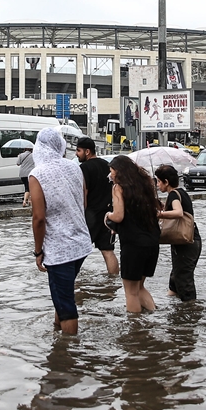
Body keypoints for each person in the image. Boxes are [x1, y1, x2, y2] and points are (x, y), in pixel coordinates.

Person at [28, 127, 91, 335]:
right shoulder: (74, 167)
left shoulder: (37, 174)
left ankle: (68, 356)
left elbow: (38, 218)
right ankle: (58, 334)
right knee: (63, 294)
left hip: (59, 250)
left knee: (65, 304)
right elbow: (83, 201)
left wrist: (38, 252)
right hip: (81, 244)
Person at [105, 154, 160, 314]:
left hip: (133, 244)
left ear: (120, 171)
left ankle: (135, 331)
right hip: (152, 242)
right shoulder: (145, 184)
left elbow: (119, 215)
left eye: (112, 171)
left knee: (131, 292)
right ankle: (154, 318)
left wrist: (108, 215)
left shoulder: (118, 188)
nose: (111, 175)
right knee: (140, 287)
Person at [154, 164, 201, 302]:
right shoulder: (181, 192)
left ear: (166, 182)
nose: (157, 184)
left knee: (183, 278)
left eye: (158, 181)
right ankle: (172, 306)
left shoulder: (174, 194)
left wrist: (159, 214)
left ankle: (190, 312)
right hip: (191, 240)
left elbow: (179, 212)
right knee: (176, 277)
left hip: (186, 243)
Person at [75, 136, 119, 277]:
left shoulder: (84, 168)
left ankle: (73, 280)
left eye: (78, 150)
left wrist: (80, 215)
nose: (76, 154)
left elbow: (84, 193)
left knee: (79, 251)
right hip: (107, 215)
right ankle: (113, 282)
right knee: (107, 250)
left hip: (91, 215)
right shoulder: (107, 166)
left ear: (87, 152)